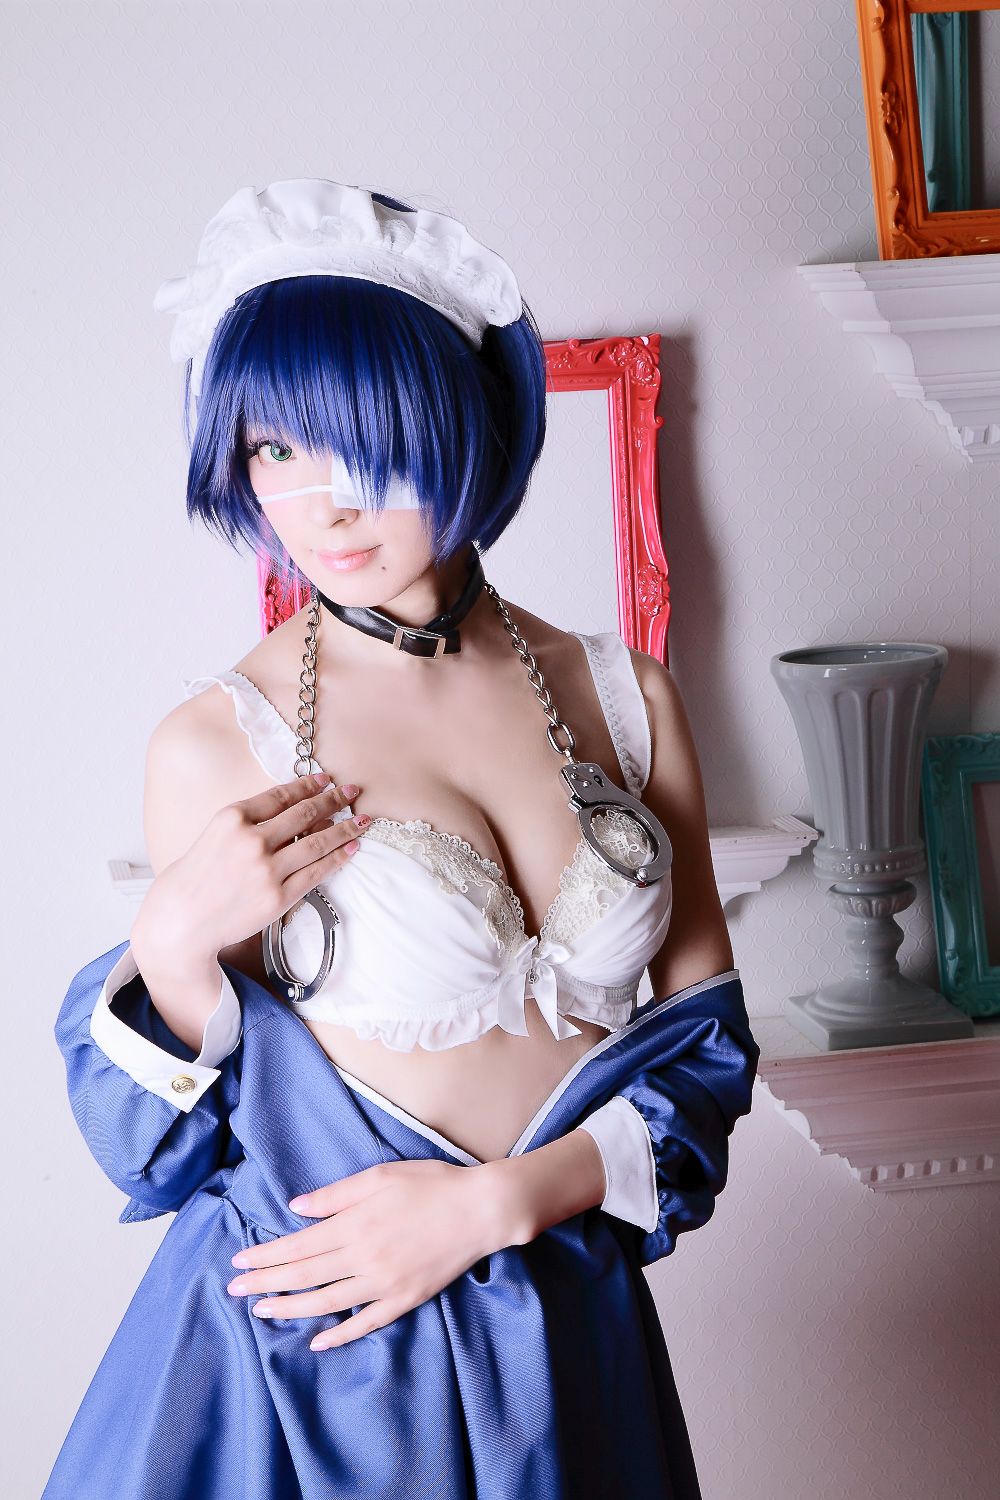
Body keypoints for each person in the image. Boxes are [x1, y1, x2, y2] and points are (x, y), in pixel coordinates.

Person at [44, 178, 760, 1500]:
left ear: (458, 422)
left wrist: (500, 1204)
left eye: (360, 444)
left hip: (570, 1335)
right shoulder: (218, 743)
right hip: (321, 1377)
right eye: (274, 451)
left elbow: (706, 1061)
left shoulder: (627, 702)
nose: (320, 504)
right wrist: (173, 950)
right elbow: (159, 1158)